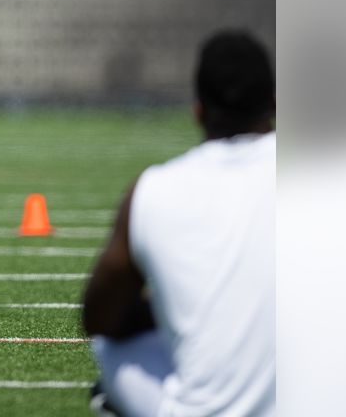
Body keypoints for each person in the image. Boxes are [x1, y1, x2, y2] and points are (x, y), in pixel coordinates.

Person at [82, 30, 275, 416]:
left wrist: (167, 310)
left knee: (110, 348)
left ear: (198, 110)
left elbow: (101, 318)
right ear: (274, 102)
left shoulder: (153, 189)